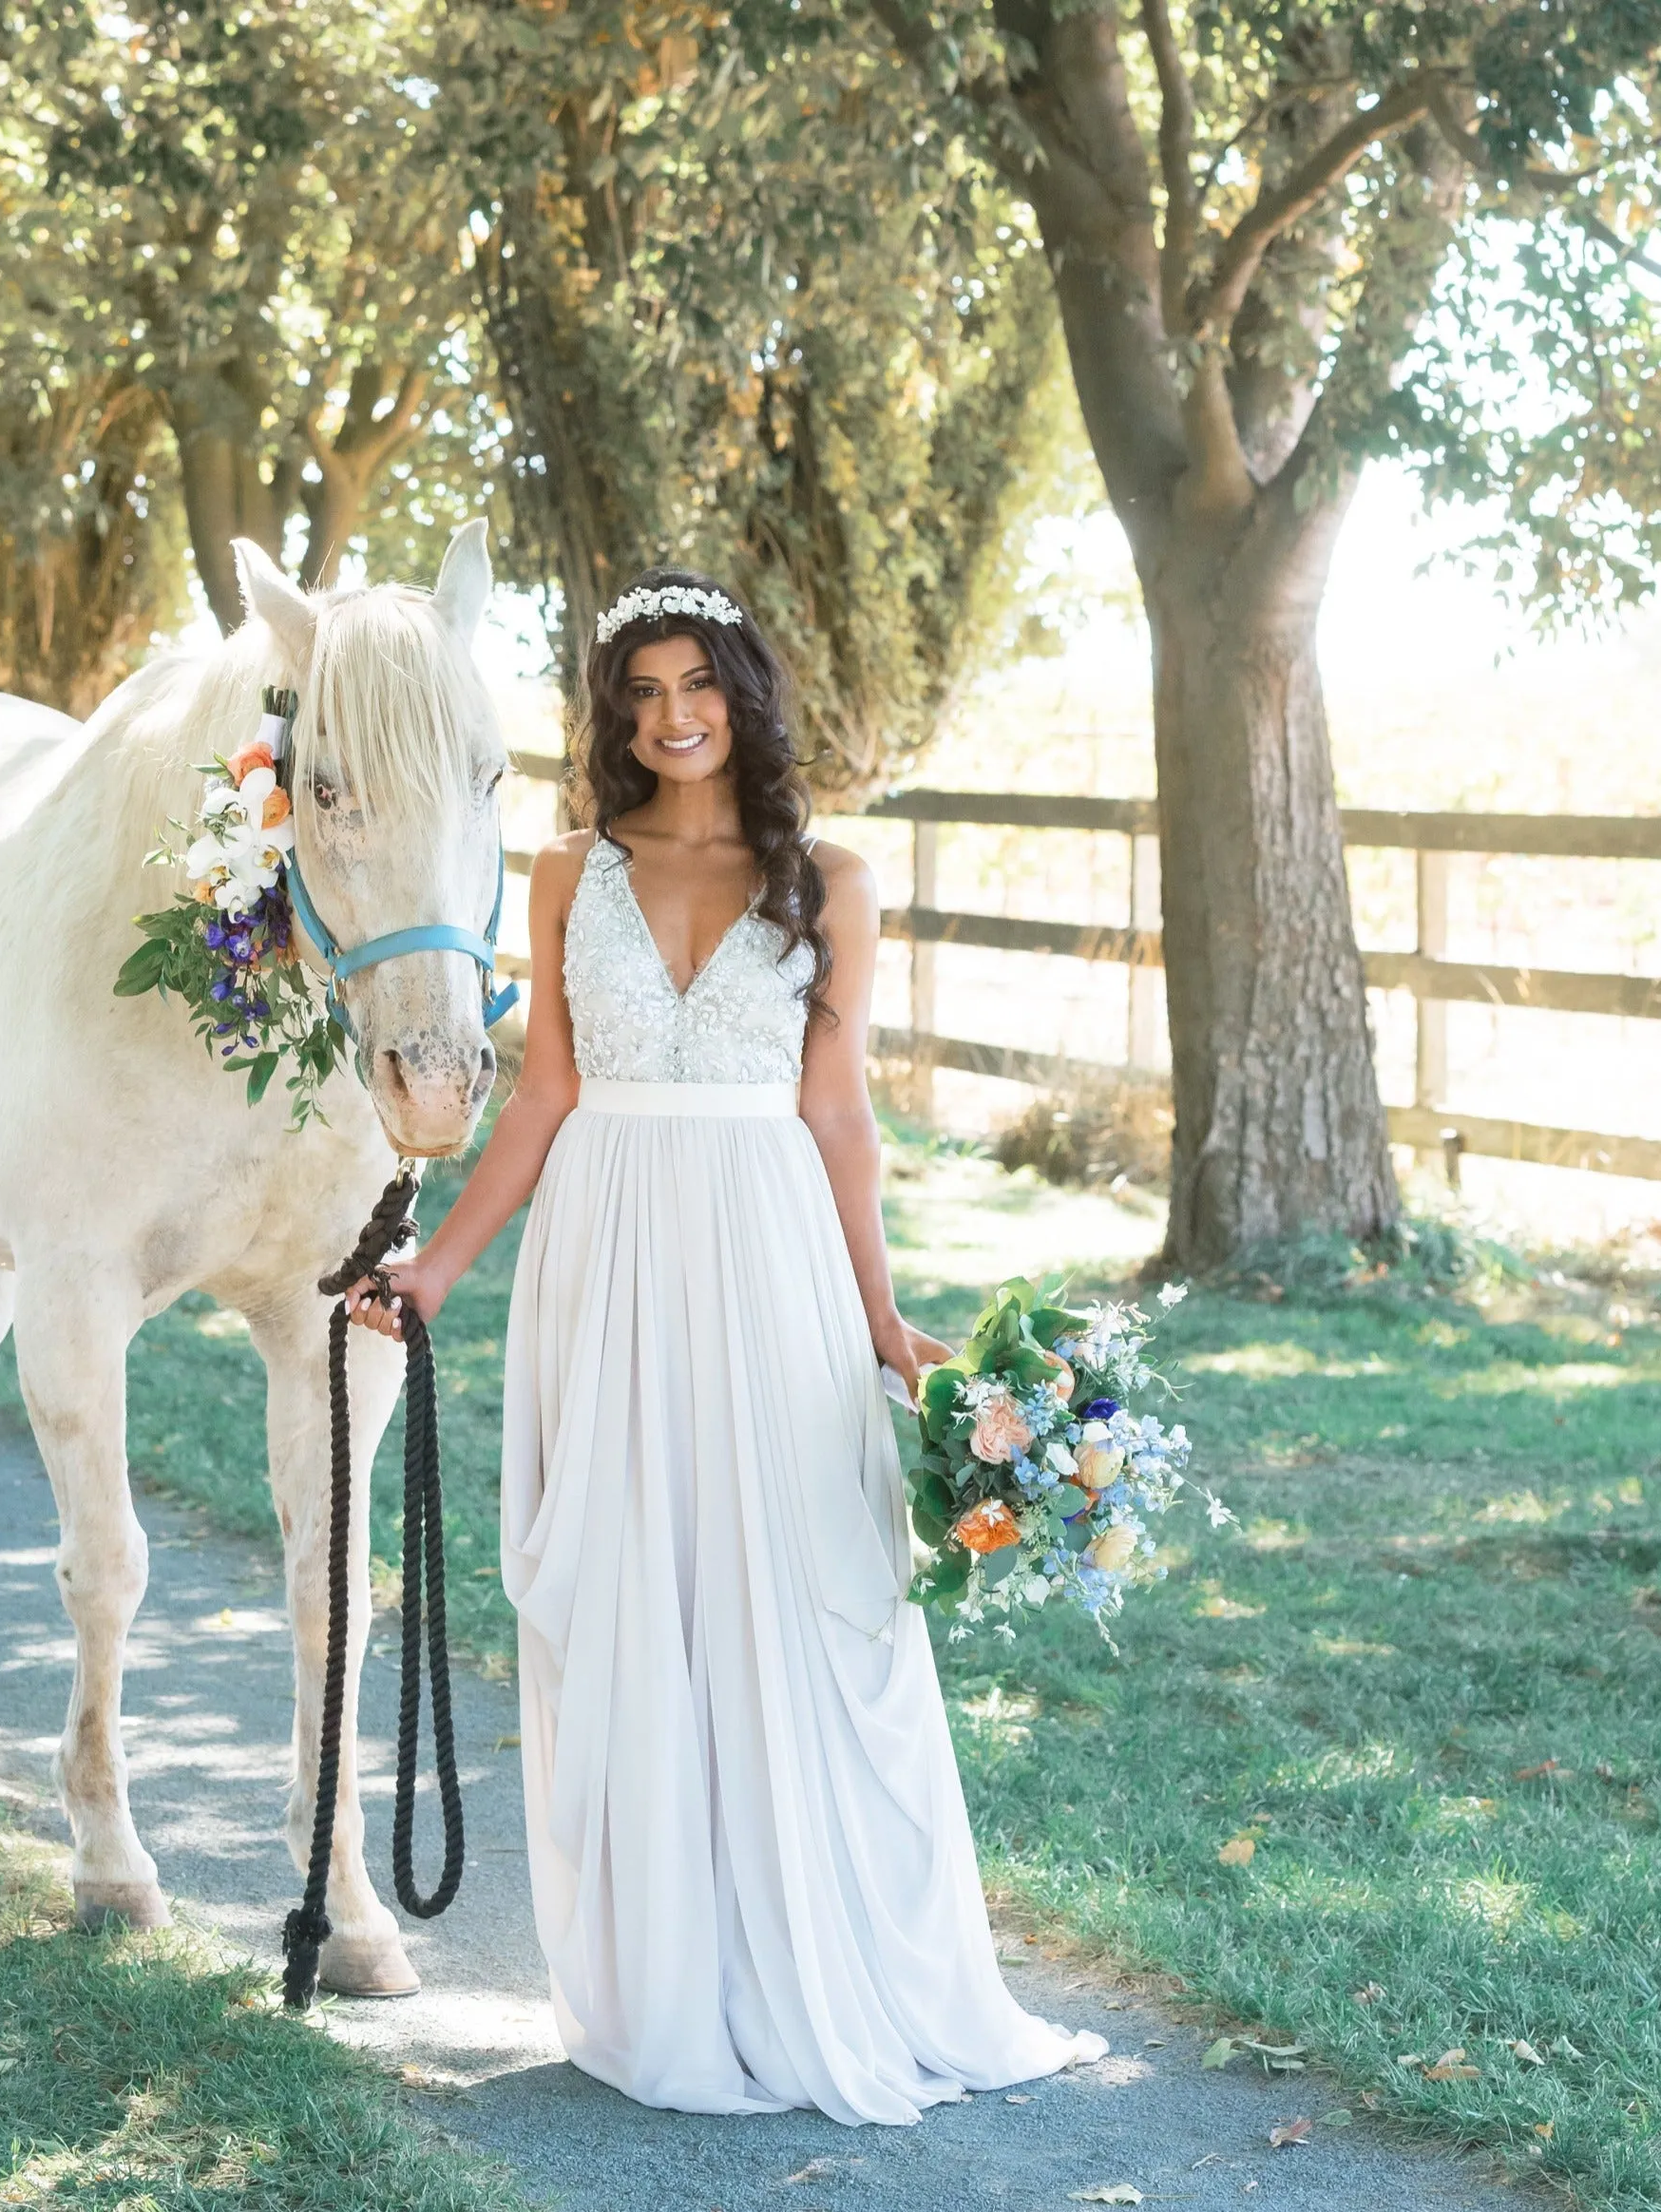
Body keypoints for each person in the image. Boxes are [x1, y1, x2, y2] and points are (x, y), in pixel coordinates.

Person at [344, 568, 1106, 2123]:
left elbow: (840, 1116)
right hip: (607, 1248)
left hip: (770, 1255)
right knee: (631, 1593)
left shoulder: (826, 876)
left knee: (806, 1593)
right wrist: (436, 1266)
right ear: (615, 715)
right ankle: (663, 1981)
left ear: (741, 694)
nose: (669, 716)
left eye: (694, 685)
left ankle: (830, 1962)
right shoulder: (569, 875)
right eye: (639, 692)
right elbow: (545, 1094)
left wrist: (883, 1313)